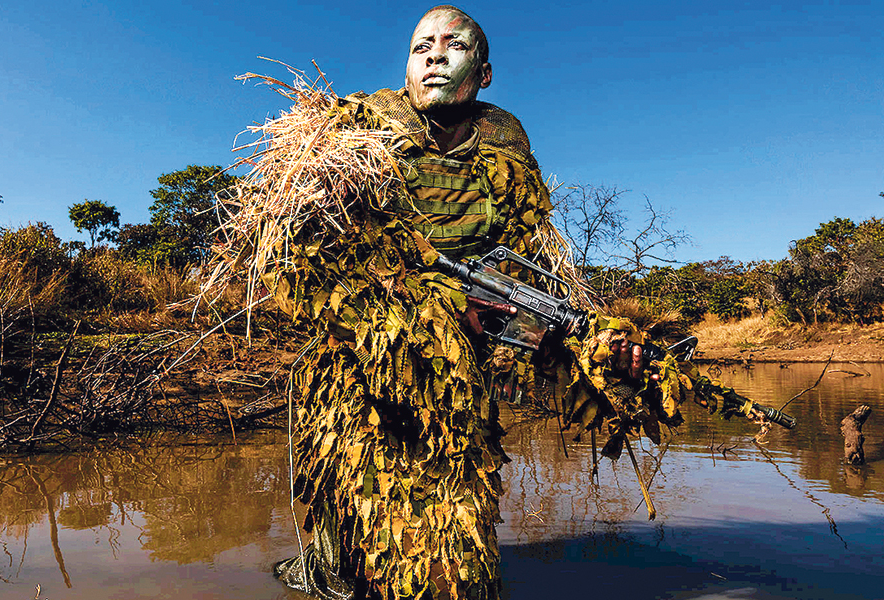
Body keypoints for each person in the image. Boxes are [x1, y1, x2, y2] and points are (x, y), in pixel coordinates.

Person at [272, 6, 660, 599]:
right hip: (361, 365)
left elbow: (529, 266)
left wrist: (592, 347)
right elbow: (301, 256)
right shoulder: (353, 131)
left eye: (453, 46)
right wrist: (419, 306)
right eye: (420, 46)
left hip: (463, 370)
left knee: (454, 538)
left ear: (483, 71)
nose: (433, 56)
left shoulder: (504, 143)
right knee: (357, 529)